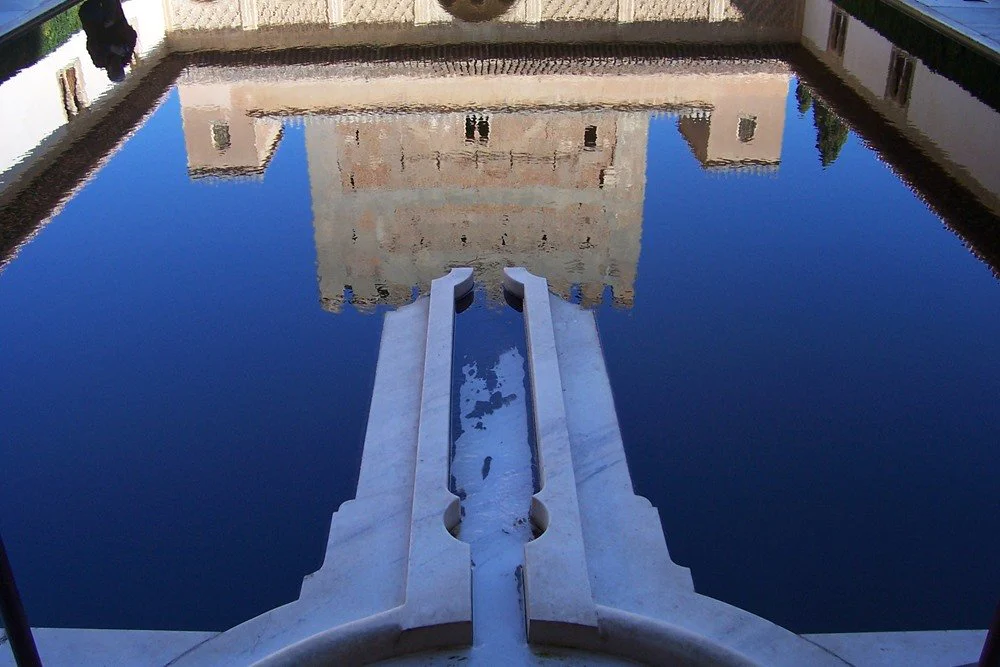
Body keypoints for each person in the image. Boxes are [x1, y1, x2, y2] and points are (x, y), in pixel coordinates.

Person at [78, 0, 137, 82]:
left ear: (109, 70)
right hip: (113, 14)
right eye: (119, 67)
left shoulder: (99, 60)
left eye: (114, 68)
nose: (116, 64)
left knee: (89, 10)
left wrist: (110, 47)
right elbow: (132, 34)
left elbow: (91, 44)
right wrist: (116, 27)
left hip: (93, 20)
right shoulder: (126, 53)